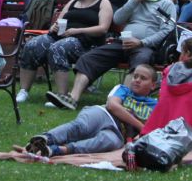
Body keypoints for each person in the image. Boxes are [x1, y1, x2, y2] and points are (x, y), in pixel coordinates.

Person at [47, 0, 175, 111]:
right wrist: (135, 0)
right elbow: (118, 19)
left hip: (145, 46)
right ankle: (73, 98)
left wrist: (141, 42)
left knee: (140, 63)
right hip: (122, 43)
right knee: (89, 58)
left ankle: (122, 103)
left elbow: (167, 30)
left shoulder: (166, 4)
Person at [16, 0, 113, 104]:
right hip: (62, 36)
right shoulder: (73, 2)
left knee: (58, 48)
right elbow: (58, 22)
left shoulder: (103, 3)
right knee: (32, 45)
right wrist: (54, 27)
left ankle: (61, 96)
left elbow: (103, 28)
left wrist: (77, 31)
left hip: (87, 43)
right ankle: (24, 91)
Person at [21, 64, 159, 158]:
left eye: (143, 78)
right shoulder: (123, 89)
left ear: (153, 85)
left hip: (118, 134)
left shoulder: (156, 105)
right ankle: (46, 138)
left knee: (107, 142)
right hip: (103, 114)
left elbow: (155, 130)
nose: (137, 80)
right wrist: (141, 126)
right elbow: (112, 106)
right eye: (135, 76)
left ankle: (57, 150)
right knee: (80, 126)